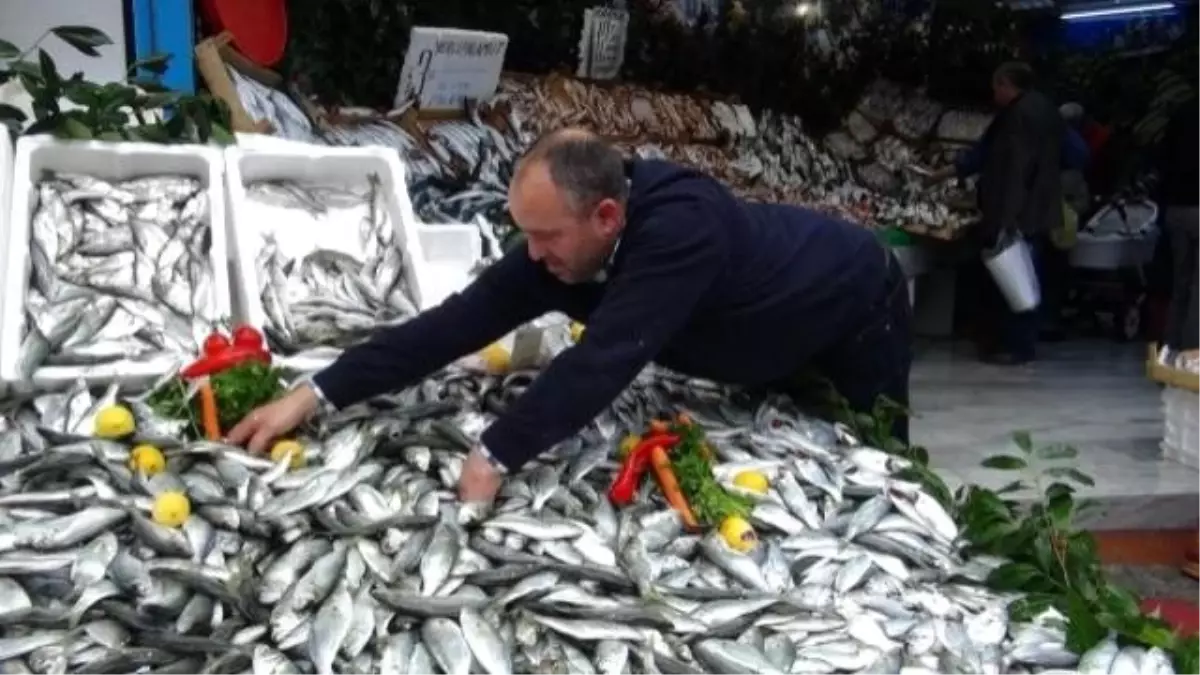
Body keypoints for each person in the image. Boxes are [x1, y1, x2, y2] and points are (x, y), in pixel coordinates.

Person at [226, 128, 913, 504]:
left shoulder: (681, 230)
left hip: (851, 309)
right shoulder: (565, 251)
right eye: (525, 233)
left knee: (880, 462)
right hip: (761, 337)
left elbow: (606, 358)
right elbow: (455, 323)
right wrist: (313, 393)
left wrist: (495, 453)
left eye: (546, 236)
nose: (534, 254)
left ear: (606, 216)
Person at [929, 62, 1064, 365]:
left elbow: (1012, 170)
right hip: (1037, 209)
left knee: (1014, 277)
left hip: (1018, 212)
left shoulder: (1017, 118)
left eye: (995, 87)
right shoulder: (1045, 110)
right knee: (1026, 276)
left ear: (1006, 84)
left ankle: (1017, 345)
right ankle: (1016, 340)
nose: (993, 94)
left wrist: (1007, 218)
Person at [1160, 96, 1200, 367]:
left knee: (1181, 283)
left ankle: (1171, 346)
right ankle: (1193, 349)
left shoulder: (1183, 110)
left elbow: (1162, 157)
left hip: (1176, 207)